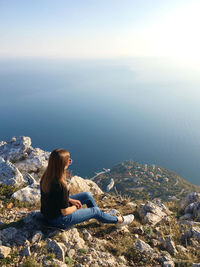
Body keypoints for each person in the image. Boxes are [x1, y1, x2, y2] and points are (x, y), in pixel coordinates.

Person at [40, 148, 134, 229]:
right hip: (59, 220)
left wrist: (71, 200)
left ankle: (101, 216)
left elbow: (55, 197)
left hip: (48, 214)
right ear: (62, 164)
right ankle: (119, 221)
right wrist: (75, 207)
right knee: (95, 211)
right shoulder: (60, 185)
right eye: (68, 160)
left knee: (87, 195)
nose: (71, 161)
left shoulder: (47, 176)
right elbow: (64, 212)